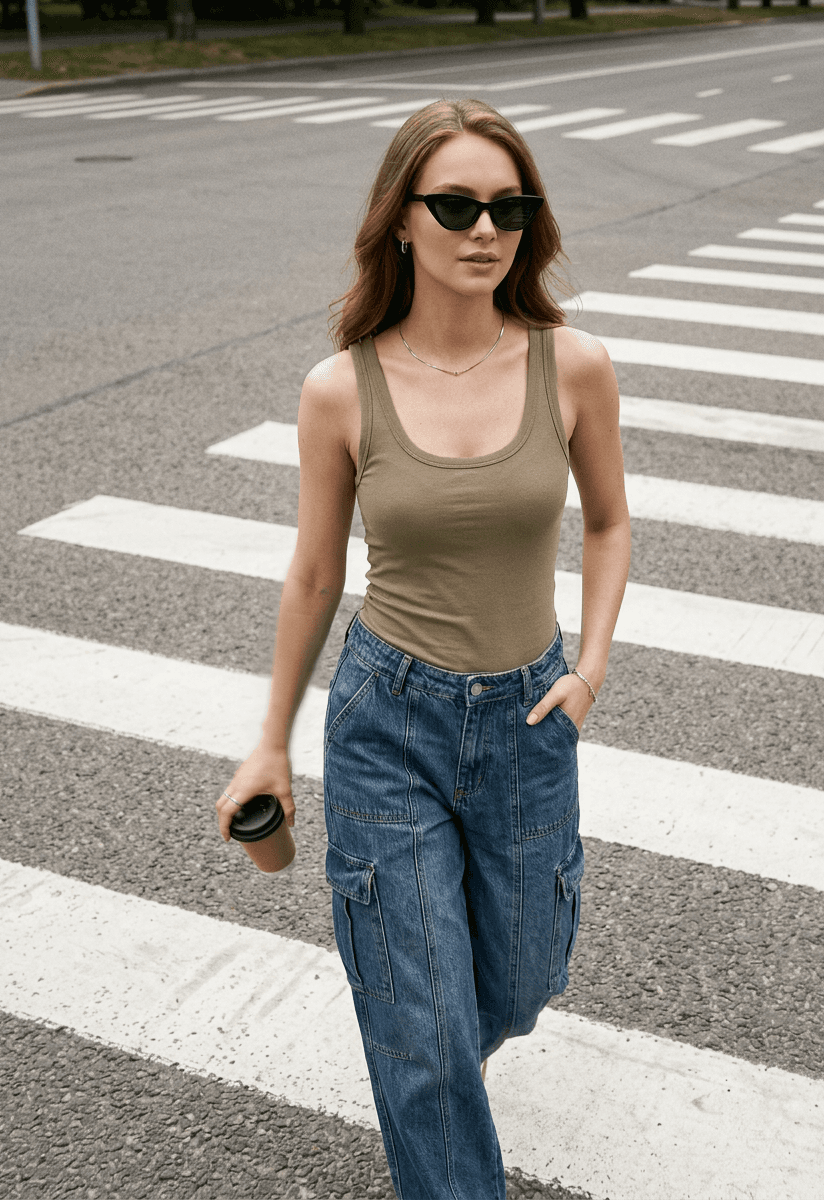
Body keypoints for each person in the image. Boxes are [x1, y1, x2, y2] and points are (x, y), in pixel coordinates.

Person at [216, 98, 630, 1200]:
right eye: (454, 206)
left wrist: (588, 670)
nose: (484, 229)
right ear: (400, 219)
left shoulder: (572, 365)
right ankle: (432, 1087)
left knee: (521, 985)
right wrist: (270, 741)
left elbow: (607, 523)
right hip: (387, 722)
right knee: (423, 1028)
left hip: (530, 717)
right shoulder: (340, 388)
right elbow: (314, 575)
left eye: (508, 207)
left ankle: (437, 1070)